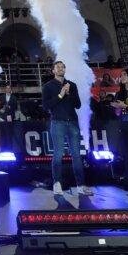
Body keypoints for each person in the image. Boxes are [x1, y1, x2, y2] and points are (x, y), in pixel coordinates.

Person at [42, 61, 93, 196]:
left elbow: (78, 105)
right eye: (57, 67)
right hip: (57, 122)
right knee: (58, 154)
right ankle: (57, 184)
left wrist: (69, 93)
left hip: (73, 123)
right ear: (53, 70)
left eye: (63, 67)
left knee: (76, 155)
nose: (60, 68)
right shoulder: (48, 86)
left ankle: (81, 185)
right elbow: (46, 106)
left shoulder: (72, 85)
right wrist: (61, 94)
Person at [0, 83, 23, 158]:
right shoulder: (1, 97)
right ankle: (3, 149)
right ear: (5, 89)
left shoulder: (14, 98)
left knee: (9, 134)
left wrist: (9, 107)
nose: (8, 89)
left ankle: (10, 149)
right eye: (6, 88)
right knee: (2, 134)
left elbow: (15, 107)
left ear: (10, 89)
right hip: (2, 118)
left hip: (10, 118)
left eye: (9, 88)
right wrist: (0, 111)